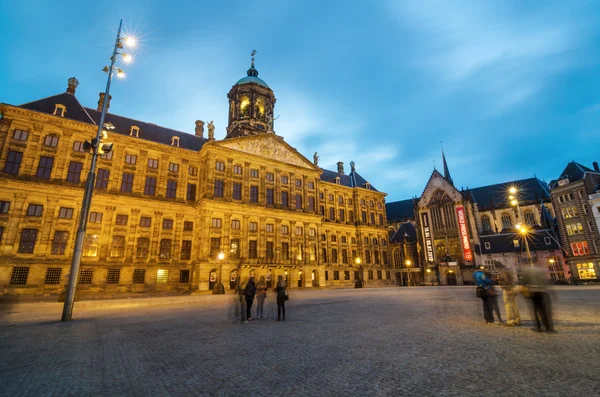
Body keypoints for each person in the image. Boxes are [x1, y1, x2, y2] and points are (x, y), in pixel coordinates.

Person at [521, 266, 555, 332]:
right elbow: (546, 281)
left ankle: (538, 327)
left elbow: (524, 282)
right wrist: (551, 292)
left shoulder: (527, 270)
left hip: (533, 291)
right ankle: (548, 327)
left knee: (535, 310)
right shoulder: (541, 269)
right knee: (543, 309)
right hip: (542, 291)